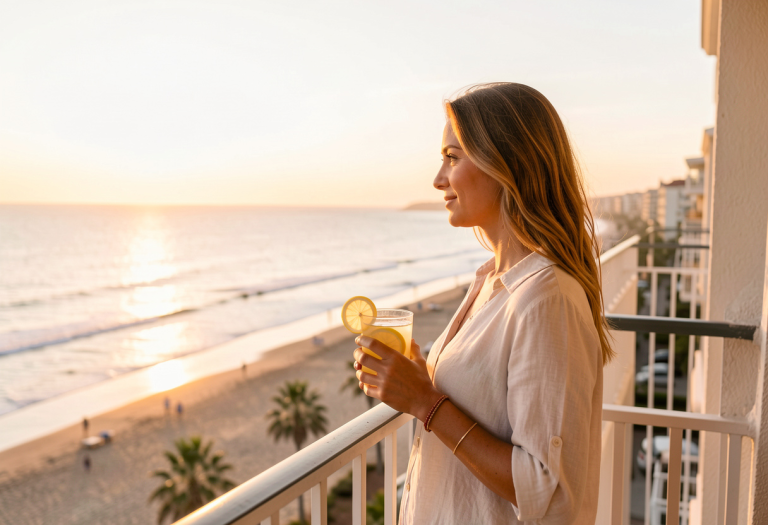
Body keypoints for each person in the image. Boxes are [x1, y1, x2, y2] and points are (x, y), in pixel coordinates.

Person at [352, 83, 611, 524]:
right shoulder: (492, 280)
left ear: (505, 164)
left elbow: (544, 489)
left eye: (452, 157)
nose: (438, 179)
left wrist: (425, 404)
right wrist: (419, 376)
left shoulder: (545, 297)